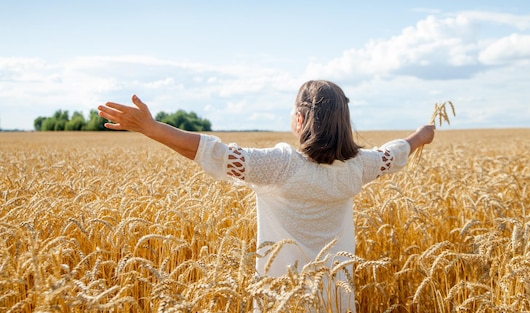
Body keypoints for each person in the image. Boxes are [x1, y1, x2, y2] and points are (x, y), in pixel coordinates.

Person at [98, 80, 435, 312]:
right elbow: (394, 153)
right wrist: (421, 135)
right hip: (336, 296)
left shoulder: (280, 165)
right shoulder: (359, 166)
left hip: (280, 299)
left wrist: (152, 128)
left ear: (300, 119)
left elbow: (212, 152)